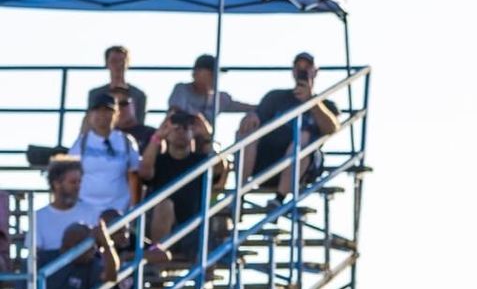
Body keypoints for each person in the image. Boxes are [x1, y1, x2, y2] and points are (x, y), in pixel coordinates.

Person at [32, 158, 119, 289]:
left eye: (80, 182)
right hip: (50, 288)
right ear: (57, 183)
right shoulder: (39, 217)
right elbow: (34, 263)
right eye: (73, 182)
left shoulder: (91, 213)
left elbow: (108, 270)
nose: (78, 187)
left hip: (82, 288)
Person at [241, 53, 340, 198]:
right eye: (299, 67)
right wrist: (252, 116)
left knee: (303, 136)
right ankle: (239, 194)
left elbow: (332, 128)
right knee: (247, 131)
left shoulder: (326, 105)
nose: (302, 71)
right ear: (293, 71)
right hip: (267, 163)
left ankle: (280, 198)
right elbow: (256, 119)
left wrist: (311, 101)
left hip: (304, 167)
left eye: (307, 67)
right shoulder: (275, 97)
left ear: (315, 71)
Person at [137, 111, 227, 252]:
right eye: (176, 128)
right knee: (164, 205)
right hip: (162, 228)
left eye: (186, 128)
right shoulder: (159, 160)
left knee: (209, 249)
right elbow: (144, 172)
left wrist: (207, 137)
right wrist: (158, 136)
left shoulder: (200, 161)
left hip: (193, 229)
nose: (180, 132)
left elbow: (219, 169)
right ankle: (156, 260)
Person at [69, 96, 138, 221]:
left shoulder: (126, 142)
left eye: (107, 110)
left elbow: (135, 176)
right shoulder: (81, 143)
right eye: (97, 110)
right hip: (86, 211)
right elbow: (68, 174)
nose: (102, 115)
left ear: (116, 114)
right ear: (90, 115)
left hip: (120, 210)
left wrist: (133, 208)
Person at [166, 54, 255, 124]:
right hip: (181, 140)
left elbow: (246, 107)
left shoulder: (220, 98)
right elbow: (175, 114)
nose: (215, 77)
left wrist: (256, 112)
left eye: (217, 74)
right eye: (211, 73)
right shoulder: (182, 90)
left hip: (205, 143)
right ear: (196, 73)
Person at [86, 45, 146, 129]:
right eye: (114, 61)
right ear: (106, 63)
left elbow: (140, 123)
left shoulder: (138, 95)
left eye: (122, 61)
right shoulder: (95, 94)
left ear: (127, 64)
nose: (118, 65)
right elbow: (90, 122)